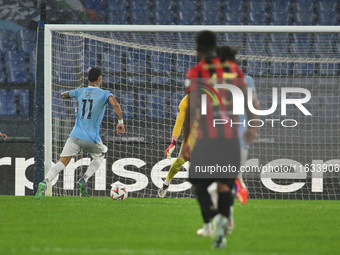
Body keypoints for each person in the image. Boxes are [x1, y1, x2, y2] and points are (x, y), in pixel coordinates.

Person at [183, 31, 258, 248]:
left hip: (207, 137)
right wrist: (252, 127)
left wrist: (187, 141)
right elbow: (250, 100)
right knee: (225, 185)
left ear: (197, 48)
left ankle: (216, 219)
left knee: (199, 185)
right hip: (230, 137)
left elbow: (192, 109)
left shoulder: (196, 71)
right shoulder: (233, 69)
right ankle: (221, 235)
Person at [35, 67, 125, 199]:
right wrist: (120, 122)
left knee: (62, 162)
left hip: (75, 136)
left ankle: (45, 182)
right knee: (101, 154)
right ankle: (84, 179)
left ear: (87, 79)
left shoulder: (80, 91)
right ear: (100, 79)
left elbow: (64, 94)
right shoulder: (105, 94)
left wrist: (65, 95)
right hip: (91, 138)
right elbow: (116, 105)